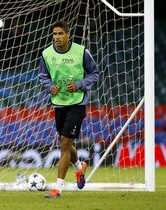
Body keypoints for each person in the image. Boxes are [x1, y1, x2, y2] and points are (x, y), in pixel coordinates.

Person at [38, 20, 99, 198]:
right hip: (59, 102)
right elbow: (42, 76)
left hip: (77, 102)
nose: (57, 37)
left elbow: (94, 73)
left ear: (68, 34)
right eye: (54, 34)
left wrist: (80, 84)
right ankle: (80, 167)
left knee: (64, 143)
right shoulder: (47, 54)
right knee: (66, 142)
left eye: (60, 34)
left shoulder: (81, 52)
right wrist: (49, 86)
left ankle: (58, 188)